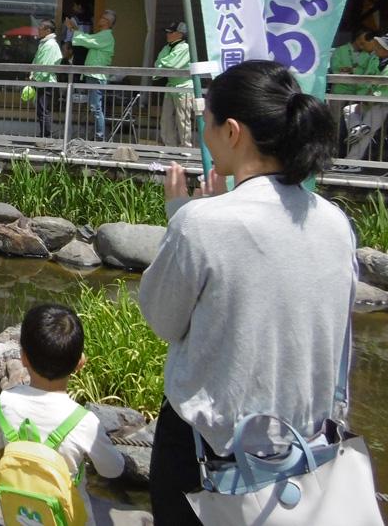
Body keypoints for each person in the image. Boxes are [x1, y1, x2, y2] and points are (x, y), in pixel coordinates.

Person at [138, 60, 355, 525]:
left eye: (207, 122)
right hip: (304, 450)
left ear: (232, 131)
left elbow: (161, 317)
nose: (205, 134)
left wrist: (180, 214)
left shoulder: (204, 223)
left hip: (209, 453)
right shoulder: (335, 222)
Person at [0, 304, 124, 526]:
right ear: (80, 363)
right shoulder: (83, 422)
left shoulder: (7, 402)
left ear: (24, 358)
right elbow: (113, 469)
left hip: (16, 516)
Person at [345, 32, 388, 160]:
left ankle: (352, 162)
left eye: (379, 46)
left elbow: (383, 94)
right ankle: (358, 129)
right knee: (349, 109)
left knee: (371, 119)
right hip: (379, 103)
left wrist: (366, 102)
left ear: (386, 50)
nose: (375, 47)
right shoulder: (380, 61)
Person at [67, 10, 116, 142]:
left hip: (97, 76)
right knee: (95, 107)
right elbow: (89, 40)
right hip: (93, 75)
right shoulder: (102, 35)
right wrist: (75, 29)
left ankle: (99, 137)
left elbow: (88, 41)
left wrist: (74, 30)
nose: (100, 19)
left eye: (103, 17)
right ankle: (98, 135)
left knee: (96, 108)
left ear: (108, 22)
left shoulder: (106, 36)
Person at [155, 21, 193, 148]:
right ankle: (169, 145)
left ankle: (186, 146)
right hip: (171, 85)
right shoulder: (167, 47)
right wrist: (163, 62)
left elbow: (172, 65)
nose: (167, 34)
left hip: (184, 86)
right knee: (166, 118)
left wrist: (163, 62)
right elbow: (158, 64)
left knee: (183, 119)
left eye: (170, 32)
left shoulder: (186, 48)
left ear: (180, 34)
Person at [29, 18, 61, 138]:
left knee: (43, 110)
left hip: (45, 81)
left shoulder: (50, 44)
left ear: (48, 30)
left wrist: (35, 78)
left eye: (40, 28)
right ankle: (44, 135)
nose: (38, 30)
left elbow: (46, 66)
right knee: (42, 110)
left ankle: (46, 136)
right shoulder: (45, 43)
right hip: (42, 81)